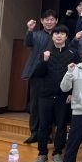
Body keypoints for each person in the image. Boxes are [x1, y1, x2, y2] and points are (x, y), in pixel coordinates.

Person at [33, 25, 77, 162]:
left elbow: (76, 76)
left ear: (66, 36)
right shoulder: (45, 52)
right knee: (43, 126)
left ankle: (57, 153)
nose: (59, 36)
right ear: (52, 36)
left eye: (62, 33)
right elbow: (38, 73)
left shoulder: (73, 53)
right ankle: (42, 154)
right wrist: (44, 60)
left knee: (61, 126)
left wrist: (71, 93)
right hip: (45, 95)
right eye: (56, 33)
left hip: (63, 96)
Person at [21, 9, 58, 144]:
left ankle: (47, 133)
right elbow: (27, 43)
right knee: (35, 104)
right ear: (42, 21)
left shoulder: (59, 35)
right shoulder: (36, 34)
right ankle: (34, 133)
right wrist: (30, 29)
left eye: (52, 19)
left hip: (52, 74)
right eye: (46, 19)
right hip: (36, 73)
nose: (49, 22)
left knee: (49, 105)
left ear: (56, 21)